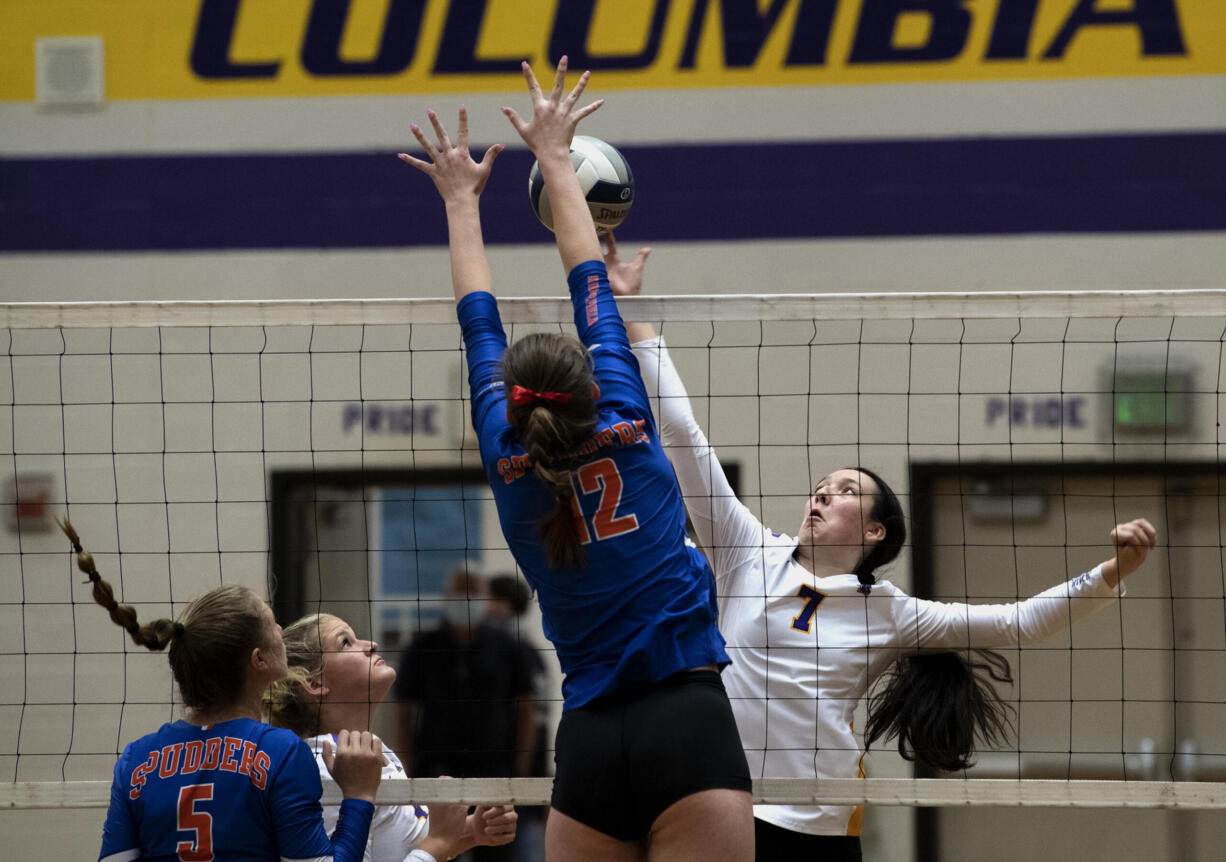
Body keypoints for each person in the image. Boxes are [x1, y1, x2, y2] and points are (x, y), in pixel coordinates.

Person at [605, 249, 1159, 861]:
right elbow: (682, 432)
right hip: (724, 805)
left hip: (817, 818)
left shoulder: (890, 611)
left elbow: (1017, 622)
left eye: (847, 491)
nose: (823, 492)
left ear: (874, 533)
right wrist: (636, 313)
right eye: (823, 484)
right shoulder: (745, 552)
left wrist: (1113, 572)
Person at [397, 58, 754, 862]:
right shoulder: (627, 416)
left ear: (511, 402)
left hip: (588, 739)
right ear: (590, 382)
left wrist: (461, 203)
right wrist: (555, 154)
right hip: (686, 720)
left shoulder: (507, 454)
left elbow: (474, 317)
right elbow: (581, 277)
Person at [59, 520, 385, 862]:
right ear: (258, 660)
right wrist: (359, 796)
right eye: (271, 621)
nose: (279, 628)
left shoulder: (135, 761)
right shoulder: (281, 752)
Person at [265, 611, 518, 862]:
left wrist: (471, 830)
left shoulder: (371, 750)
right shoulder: (319, 768)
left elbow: (396, 845)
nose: (371, 645)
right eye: (346, 642)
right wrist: (438, 843)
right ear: (316, 684)